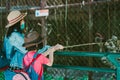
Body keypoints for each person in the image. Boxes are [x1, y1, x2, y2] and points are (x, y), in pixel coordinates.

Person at [3, 10, 28, 80]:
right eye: (22, 20)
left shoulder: (8, 35)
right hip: (16, 71)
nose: (23, 22)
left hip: (9, 69)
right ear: (18, 22)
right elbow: (28, 50)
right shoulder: (16, 36)